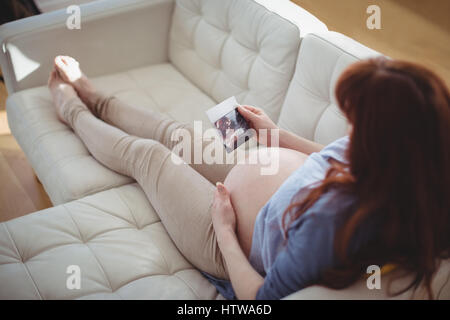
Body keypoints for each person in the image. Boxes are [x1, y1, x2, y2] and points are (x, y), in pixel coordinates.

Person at [48, 55, 450, 300]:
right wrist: (273, 134)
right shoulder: (408, 163)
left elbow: (262, 297)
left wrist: (223, 229)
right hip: (258, 179)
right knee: (176, 135)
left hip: (226, 234)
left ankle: (72, 111)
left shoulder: (334, 225)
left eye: (357, 122)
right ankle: (92, 93)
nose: (350, 131)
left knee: (148, 156)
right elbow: (328, 155)